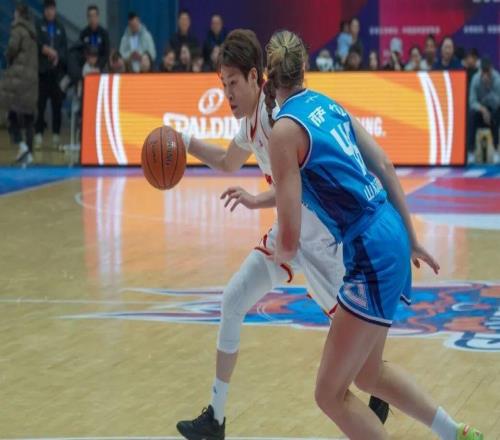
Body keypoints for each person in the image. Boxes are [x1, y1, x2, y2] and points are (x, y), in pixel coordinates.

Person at [264, 29, 483, 440]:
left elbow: (289, 241)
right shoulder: (327, 104)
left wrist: (271, 258)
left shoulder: (283, 133)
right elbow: (383, 163)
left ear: (268, 77)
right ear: (305, 67)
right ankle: (456, 433)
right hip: (390, 228)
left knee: (328, 394)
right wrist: (412, 237)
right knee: (367, 374)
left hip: (369, 247)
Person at [175, 28, 389, 440]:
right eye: (222, 84)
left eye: (233, 83)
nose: (227, 94)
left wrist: (256, 200)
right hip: (290, 233)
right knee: (233, 300)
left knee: (356, 340)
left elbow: (302, 186)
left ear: (255, 77)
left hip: (322, 238)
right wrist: (184, 141)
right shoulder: (250, 121)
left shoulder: (280, 120)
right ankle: (216, 416)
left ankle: (381, 391)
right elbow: (227, 160)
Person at [0, 3, 38, 165]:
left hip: (18, 79)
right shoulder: (33, 32)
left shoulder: (18, 29)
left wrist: (7, 55)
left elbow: (11, 49)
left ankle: (22, 145)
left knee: (11, 114)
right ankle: (29, 153)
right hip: (31, 80)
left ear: (18, 14)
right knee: (28, 117)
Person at [34, 0, 67, 150]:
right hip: (42, 72)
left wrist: (58, 56)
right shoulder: (38, 24)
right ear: (44, 10)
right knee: (40, 105)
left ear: (55, 10)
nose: (49, 12)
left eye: (52, 9)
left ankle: (56, 135)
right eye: (47, 9)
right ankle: (38, 134)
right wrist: (45, 49)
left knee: (57, 105)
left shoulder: (60, 27)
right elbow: (35, 43)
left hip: (56, 73)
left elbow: (64, 48)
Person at [469, 56, 500, 151]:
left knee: (496, 113)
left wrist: (488, 87)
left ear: (491, 68)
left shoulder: (497, 79)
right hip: (480, 110)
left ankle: (495, 147)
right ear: (480, 70)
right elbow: (472, 101)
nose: (486, 74)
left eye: (488, 71)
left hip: (493, 110)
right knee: (471, 114)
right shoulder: (475, 79)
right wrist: (483, 110)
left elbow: (497, 102)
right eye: (484, 71)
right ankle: (471, 149)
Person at [79, 4, 109, 70]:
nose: (92, 19)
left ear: (98, 17)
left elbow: (106, 53)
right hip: (86, 65)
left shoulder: (104, 33)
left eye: (94, 16)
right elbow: (80, 52)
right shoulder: (83, 33)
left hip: (101, 65)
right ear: (87, 18)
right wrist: (88, 61)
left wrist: (98, 65)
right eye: (90, 16)